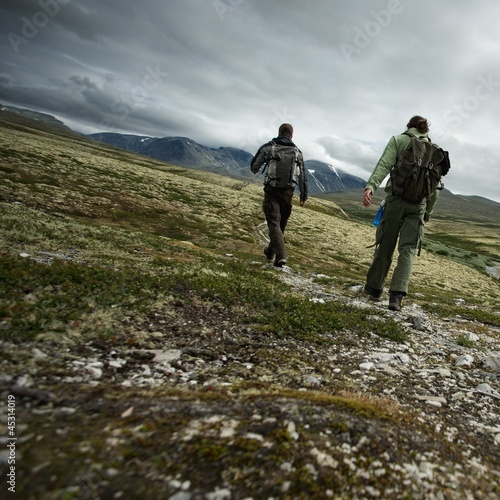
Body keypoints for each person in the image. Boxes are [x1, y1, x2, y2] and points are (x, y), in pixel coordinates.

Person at [362, 115, 442, 311]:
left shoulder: (399, 140)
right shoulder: (435, 151)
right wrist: (427, 212)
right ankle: (396, 297)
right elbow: (436, 188)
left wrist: (371, 186)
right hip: (418, 206)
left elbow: (384, 165)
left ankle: (374, 289)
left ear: (409, 126)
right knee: (407, 250)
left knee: (386, 244)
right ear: (426, 130)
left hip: (395, 201)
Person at [251, 123, 308, 267]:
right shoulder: (297, 152)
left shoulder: (268, 147)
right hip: (288, 192)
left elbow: (254, 167)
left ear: (279, 132)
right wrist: (303, 196)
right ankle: (271, 253)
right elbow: (303, 176)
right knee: (280, 224)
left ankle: (281, 255)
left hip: (271, 190)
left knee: (273, 223)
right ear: (292, 135)